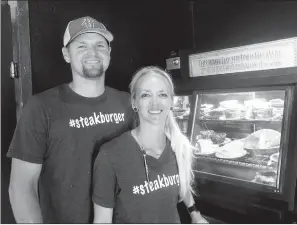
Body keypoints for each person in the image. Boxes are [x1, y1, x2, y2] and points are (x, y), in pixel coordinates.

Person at [7, 16, 134, 223]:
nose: (93, 53)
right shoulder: (41, 108)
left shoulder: (128, 103)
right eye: (82, 46)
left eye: (100, 45)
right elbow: (21, 188)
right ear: (66, 54)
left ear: (109, 52)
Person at [92, 66, 208, 223]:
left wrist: (195, 213)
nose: (155, 103)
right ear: (134, 102)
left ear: (171, 101)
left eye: (162, 94)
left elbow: (183, 184)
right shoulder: (110, 155)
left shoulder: (178, 146)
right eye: (146, 95)